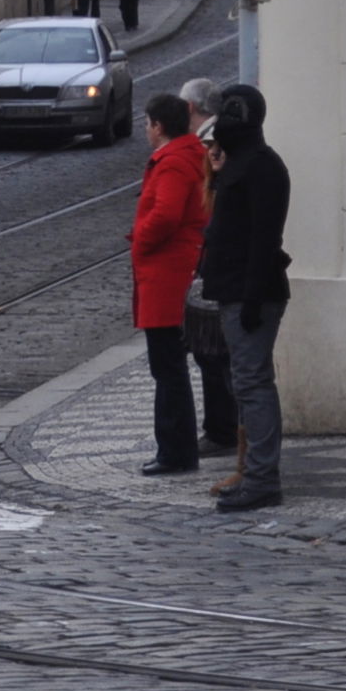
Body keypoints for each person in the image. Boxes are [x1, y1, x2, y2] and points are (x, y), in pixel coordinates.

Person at [198, 84, 291, 512]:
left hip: (250, 291)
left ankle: (262, 477)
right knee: (246, 383)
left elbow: (263, 239)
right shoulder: (243, 163)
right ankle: (253, 471)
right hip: (236, 288)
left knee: (253, 384)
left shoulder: (263, 167)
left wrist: (252, 297)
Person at [129, 93, 210, 474]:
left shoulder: (173, 162)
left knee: (167, 367)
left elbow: (165, 215)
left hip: (166, 273)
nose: (146, 130)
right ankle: (176, 448)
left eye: (147, 123)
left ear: (158, 126)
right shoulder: (186, 155)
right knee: (169, 366)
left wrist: (140, 239)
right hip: (171, 269)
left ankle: (175, 452)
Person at [176, 79, 239, 461]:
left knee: (214, 353)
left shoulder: (210, 140)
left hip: (215, 258)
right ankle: (224, 427)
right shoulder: (218, 135)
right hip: (216, 254)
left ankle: (222, 429)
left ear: (191, 109)